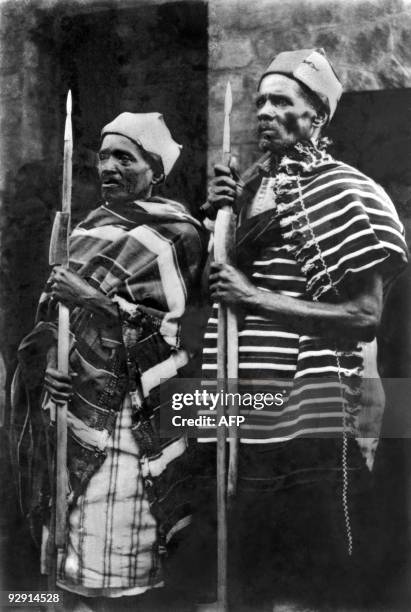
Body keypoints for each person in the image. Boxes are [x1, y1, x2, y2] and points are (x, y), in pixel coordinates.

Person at [195, 49, 409, 611]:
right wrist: (219, 217)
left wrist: (253, 297)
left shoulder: (351, 191)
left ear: (316, 116)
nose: (263, 112)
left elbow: (364, 318)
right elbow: (213, 292)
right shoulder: (244, 193)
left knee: (312, 576)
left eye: (280, 101)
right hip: (240, 405)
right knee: (248, 570)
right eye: (259, 101)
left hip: (310, 412)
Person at [11, 112, 205, 612]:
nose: (110, 167)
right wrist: (48, 366)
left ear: (156, 170)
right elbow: (51, 321)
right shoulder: (84, 230)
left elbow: (180, 333)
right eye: (104, 156)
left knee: (123, 552)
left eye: (127, 156)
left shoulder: (180, 235)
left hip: (132, 419)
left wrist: (97, 300)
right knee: (73, 554)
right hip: (74, 413)